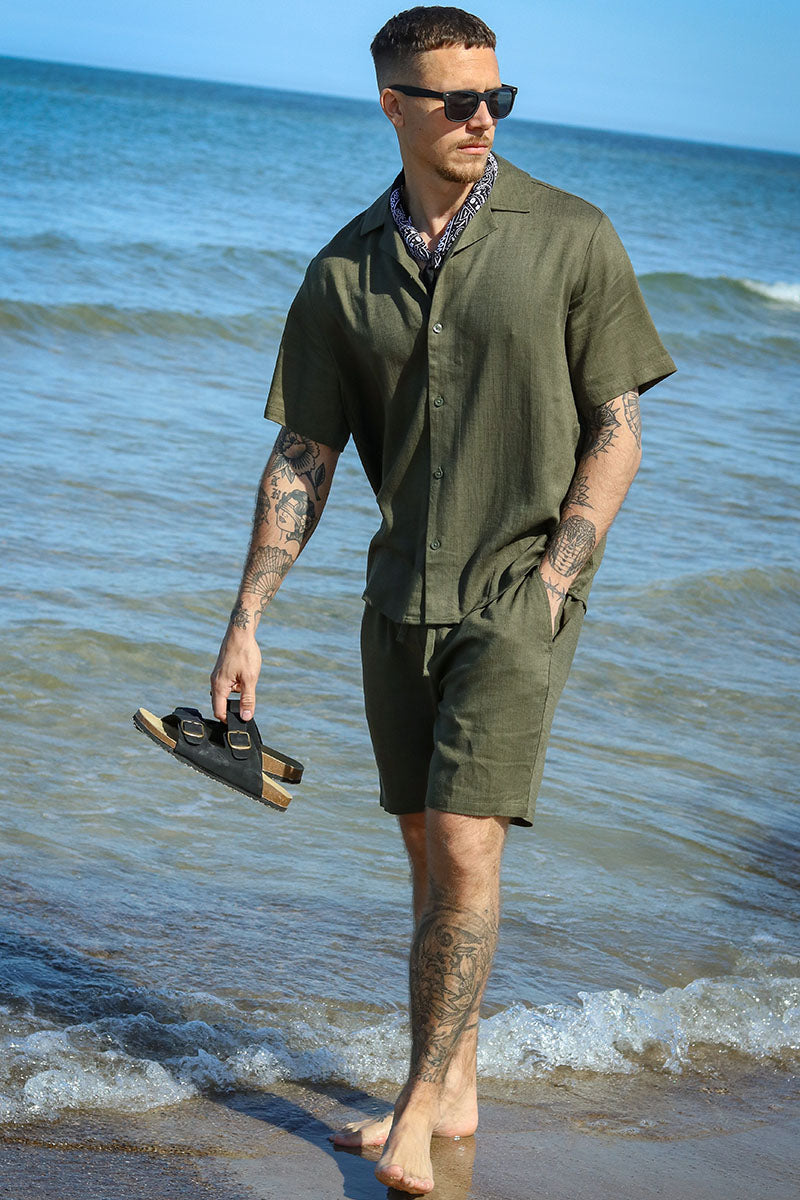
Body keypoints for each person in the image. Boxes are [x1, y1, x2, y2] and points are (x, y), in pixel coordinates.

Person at [210, 6, 676, 1193]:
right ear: (392, 106)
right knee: (426, 850)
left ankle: (419, 1105)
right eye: (456, 100)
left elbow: (617, 429)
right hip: (397, 595)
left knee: (466, 842)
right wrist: (246, 619)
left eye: (495, 99)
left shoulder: (571, 236)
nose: (481, 118)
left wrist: (554, 580)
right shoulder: (341, 268)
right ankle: (455, 1079)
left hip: (517, 596)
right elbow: (303, 456)